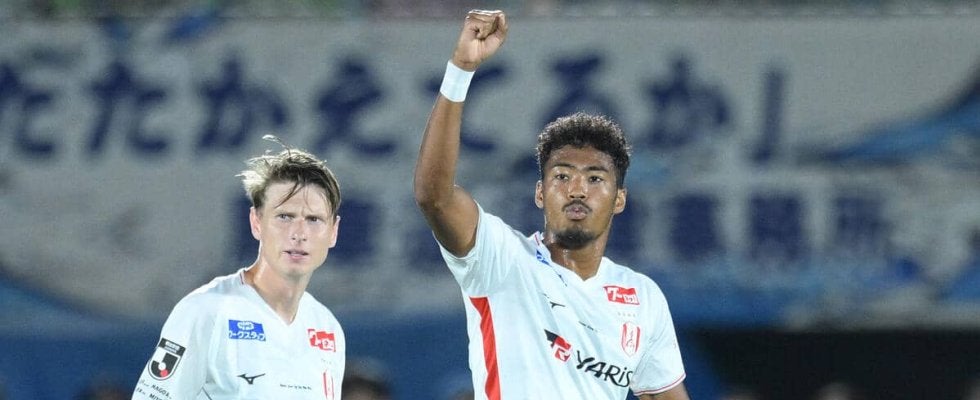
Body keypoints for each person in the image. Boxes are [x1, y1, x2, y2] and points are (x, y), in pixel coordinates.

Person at [413, 9, 688, 400]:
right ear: (540, 193)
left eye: (595, 178)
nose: (577, 189)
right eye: (562, 176)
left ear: (619, 199)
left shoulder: (641, 298)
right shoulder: (502, 259)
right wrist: (461, 69)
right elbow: (434, 196)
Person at [133, 136, 346, 399]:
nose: (299, 233)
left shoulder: (327, 328)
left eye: (313, 219)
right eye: (284, 217)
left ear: (333, 232)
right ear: (256, 222)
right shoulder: (205, 312)